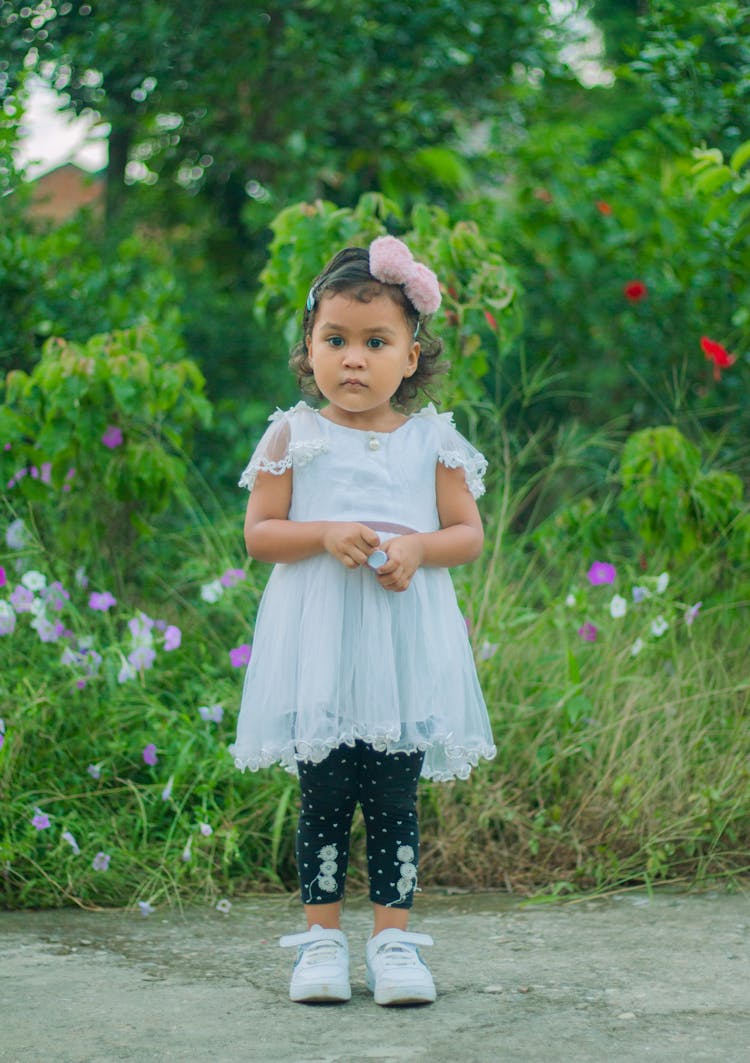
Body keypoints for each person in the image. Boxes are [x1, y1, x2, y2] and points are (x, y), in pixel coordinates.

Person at [230, 235, 496, 1006]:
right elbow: (259, 534)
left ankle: (392, 940)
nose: (353, 359)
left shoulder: (432, 440)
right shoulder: (293, 434)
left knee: (391, 796)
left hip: (400, 644)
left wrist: (417, 545)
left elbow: (466, 534)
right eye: (335, 340)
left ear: (411, 355)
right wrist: (320, 533)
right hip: (319, 643)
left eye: (375, 342)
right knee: (323, 794)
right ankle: (319, 941)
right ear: (308, 348)